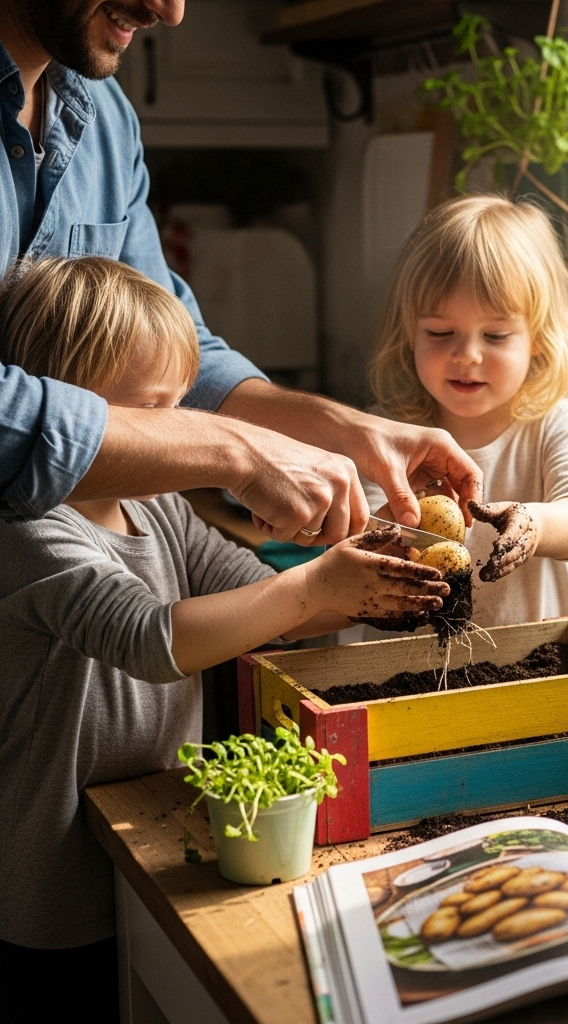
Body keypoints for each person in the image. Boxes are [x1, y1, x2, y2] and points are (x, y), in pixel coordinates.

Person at [0, 256, 451, 1022]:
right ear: (73, 417)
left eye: (184, 408)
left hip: (153, 831)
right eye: (153, 413)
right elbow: (145, 636)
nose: (183, 437)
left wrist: (369, 587)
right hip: (49, 878)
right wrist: (313, 585)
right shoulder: (27, 525)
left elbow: (253, 598)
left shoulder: (159, 505)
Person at [0, 0, 482, 540]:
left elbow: (183, 359)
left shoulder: (105, 120)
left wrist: (352, 433)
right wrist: (236, 451)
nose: (170, 10)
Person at [365, 194, 568, 627]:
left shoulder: (556, 425)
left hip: (532, 674)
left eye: (496, 335)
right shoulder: (390, 435)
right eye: (440, 332)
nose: (466, 355)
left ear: (538, 337)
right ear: (411, 333)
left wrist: (535, 524)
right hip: (410, 680)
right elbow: (364, 537)